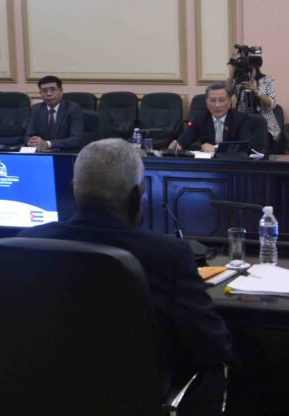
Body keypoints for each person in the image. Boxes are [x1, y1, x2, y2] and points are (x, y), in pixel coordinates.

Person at [19, 138, 233, 413]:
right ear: (136, 197)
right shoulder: (167, 255)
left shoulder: (27, 243)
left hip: (46, 399)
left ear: (73, 191)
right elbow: (211, 347)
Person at [169, 82, 248, 152]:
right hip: (208, 162)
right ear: (206, 102)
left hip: (232, 162)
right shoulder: (199, 118)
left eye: (221, 100)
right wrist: (178, 146)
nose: (217, 105)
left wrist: (215, 148)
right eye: (213, 100)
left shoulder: (241, 119)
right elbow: (186, 139)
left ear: (229, 102)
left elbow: (245, 147)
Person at [25, 75, 84, 152]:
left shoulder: (73, 109)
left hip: (65, 153)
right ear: (40, 93)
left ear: (61, 91)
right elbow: (28, 135)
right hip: (42, 153)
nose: (49, 94)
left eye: (53, 90)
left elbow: (76, 139)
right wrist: (33, 142)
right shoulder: (36, 109)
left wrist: (47, 144)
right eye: (44, 91)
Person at [230, 64, 281, 152]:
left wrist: (255, 89)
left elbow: (271, 104)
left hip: (266, 127)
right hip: (244, 125)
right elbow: (225, 94)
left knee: (264, 154)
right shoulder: (238, 81)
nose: (248, 71)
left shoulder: (266, 80)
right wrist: (232, 73)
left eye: (250, 68)